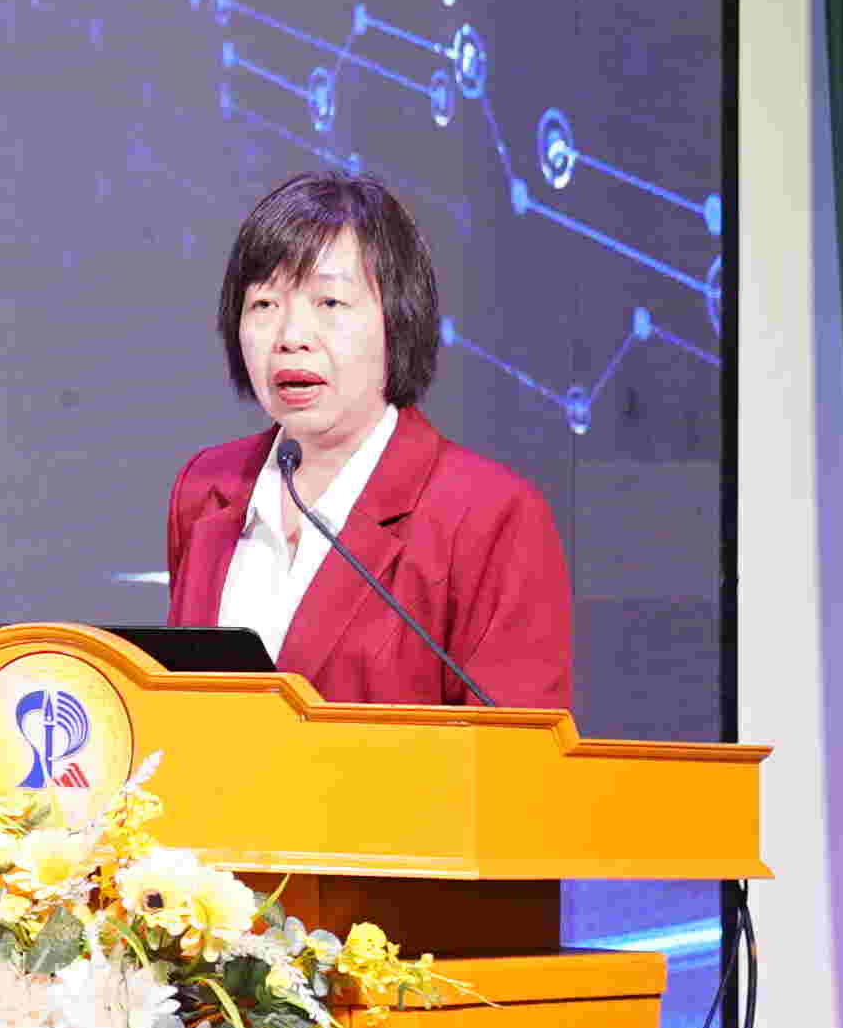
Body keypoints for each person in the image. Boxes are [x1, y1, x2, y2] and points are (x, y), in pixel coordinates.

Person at [159, 167, 572, 714]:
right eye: (264, 305)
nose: (291, 337)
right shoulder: (207, 489)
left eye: (329, 303)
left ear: (398, 320)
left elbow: (513, 753)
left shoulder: (489, 516)